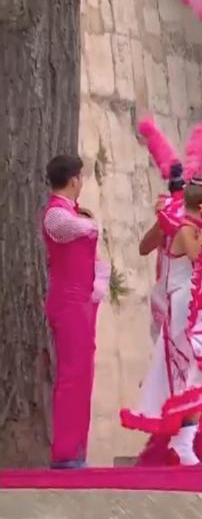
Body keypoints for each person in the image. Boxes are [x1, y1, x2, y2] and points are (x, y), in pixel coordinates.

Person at [43, 155, 107, 469]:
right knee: (72, 376)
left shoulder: (70, 213)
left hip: (81, 303)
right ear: (74, 180)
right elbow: (71, 228)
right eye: (80, 177)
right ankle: (66, 451)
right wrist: (91, 223)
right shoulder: (57, 214)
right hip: (68, 303)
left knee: (82, 374)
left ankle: (77, 449)